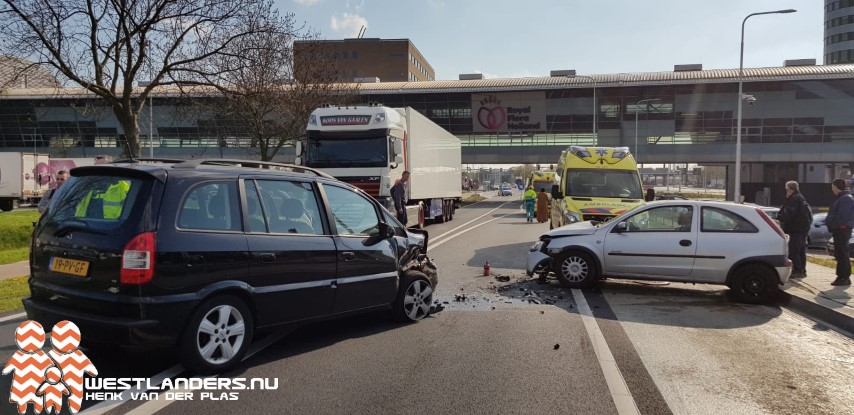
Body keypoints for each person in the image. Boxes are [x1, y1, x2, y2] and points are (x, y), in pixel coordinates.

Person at [777, 180, 812, 279]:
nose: (785, 191)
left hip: (797, 228)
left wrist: (780, 220)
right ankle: (802, 270)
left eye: (786, 189)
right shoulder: (800, 197)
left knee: (794, 250)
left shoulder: (794, 199)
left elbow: (789, 212)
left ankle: (797, 270)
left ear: (789, 189)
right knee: (800, 250)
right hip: (802, 228)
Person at [826, 178, 854, 286]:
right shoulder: (843, 198)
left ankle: (844, 277)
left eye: (832, 186)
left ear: (836, 186)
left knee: (842, 253)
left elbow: (842, 216)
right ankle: (842, 276)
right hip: (840, 229)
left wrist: (833, 225)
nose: (832, 189)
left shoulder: (845, 199)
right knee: (840, 253)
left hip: (842, 229)